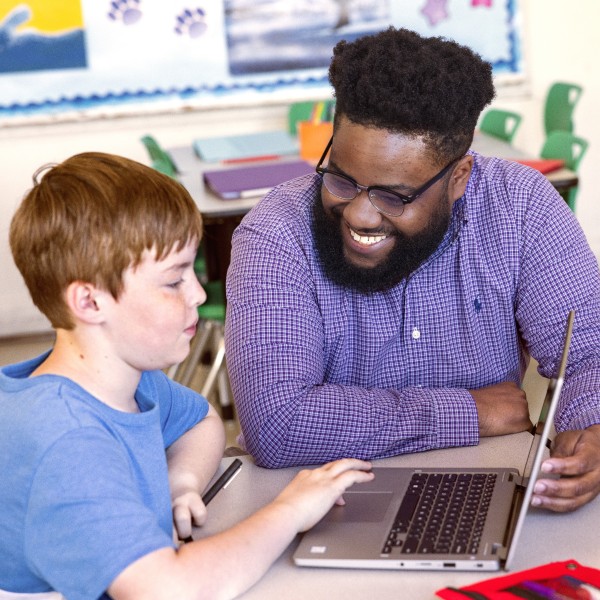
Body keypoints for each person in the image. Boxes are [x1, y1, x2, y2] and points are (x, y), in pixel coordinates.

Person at [225, 27, 600, 512]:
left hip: (484, 486)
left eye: (394, 196)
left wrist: (592, 431)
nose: (359, 214)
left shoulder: (519, 207)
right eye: (340, 178)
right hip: (310, 503)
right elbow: (278, 423)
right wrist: (471, 411)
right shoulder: (277, 232)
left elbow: (591, 351)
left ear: (459, 178)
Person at [0, 152, 374, 599]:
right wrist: (291, 510)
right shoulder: (67, 439)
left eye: (193, 271)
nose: (198, 294)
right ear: (90, 302)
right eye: (174, 280)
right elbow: (167, 590)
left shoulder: (128, 380)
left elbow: (200, 421)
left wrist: (181, 484)